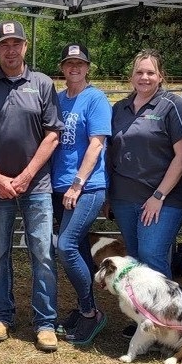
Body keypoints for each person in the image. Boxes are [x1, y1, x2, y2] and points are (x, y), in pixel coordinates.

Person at [0, 20, 64, 352]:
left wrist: (25, 176)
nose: (11, 49)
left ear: (24, 47)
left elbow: (53, 134)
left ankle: (45, 322)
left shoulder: (42, 84)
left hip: (36, 185)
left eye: (16, 43)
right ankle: (2, 316)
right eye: (4, 44)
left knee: (42, 252)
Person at [107, 49, 182, 339]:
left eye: (150, 72)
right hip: (124, 197)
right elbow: (112, 154)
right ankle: (144, 319)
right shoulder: (119, 108)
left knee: (152, 254)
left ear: (161, 77)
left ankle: (165, 325)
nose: (144, 77)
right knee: (136, 261)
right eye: (139, 72)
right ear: (131, 77)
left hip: (164, 198)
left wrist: (158, 196)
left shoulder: (173, 105)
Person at [50, 43, 112, 345]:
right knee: (77, 249)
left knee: (66, 246)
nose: (74, 68)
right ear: (62, 67)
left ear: (88, 67)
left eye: (80, 63)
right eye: (69, 63)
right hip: (58, 187)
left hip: (86, 187)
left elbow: (96, 144)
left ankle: (90, 312)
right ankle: (85, 306)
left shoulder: (96, 99)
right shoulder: (58, 99)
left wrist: (78, 183)